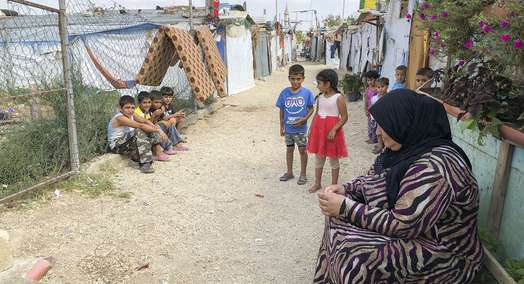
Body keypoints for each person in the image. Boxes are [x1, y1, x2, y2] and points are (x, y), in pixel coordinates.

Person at [313, 89, 482, 283]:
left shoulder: (436, 166)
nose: (377, 132)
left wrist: (345, 206)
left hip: (444, 253)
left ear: (403, 123)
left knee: (357, 255)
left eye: (383, 126)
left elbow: (403, 224)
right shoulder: (408, 148)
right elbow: (376, 178)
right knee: (337, 221)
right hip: (415, 232)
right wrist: (347, 189)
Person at [307, 69, 348, 193]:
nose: (318, 85)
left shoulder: (338, 98)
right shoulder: (319, 97)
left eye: (319, 83)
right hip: (319, 131)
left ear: (328, 84)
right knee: (319, 157)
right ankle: (317, 183)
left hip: (331, 132)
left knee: (333, 159)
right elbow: (317, 114)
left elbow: (345, 117)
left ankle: (334, 186)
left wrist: (334, 129)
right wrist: (311, 128)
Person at [107, 95, 170, 173]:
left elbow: (145, 121)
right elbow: (140, 125)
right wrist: (159, 131)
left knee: (151, 128)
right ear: (120, 108)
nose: (130, 110)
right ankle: (145, 163)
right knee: (140, 130)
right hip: (117, 146)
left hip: (126, 142)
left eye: (133, 108)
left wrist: (156, 128)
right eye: (127, 107)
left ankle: (159, 151)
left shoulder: (132, 115)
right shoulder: (120, 118)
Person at [276, 64, 315, 185]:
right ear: (289, 78)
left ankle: (303, 174)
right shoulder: (284, 93)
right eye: (293, 79)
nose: (295, 81)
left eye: (298, 79)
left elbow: (311, 109)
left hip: (301, 129)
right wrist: (281, 126)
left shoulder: (307, 93)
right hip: (288, 129)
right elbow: (281, 110)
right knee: (289, 150)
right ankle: (289, 172)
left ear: (303, 78)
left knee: (302, 150)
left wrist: (304, 119)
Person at [371, 77, 389, 154]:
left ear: (387, 86)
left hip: (387, 119)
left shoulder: (389, 97)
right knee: (378, 133)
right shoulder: (374, 98)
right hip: (378, 119)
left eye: (382, 86)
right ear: (376, 88)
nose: (381, 89)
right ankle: (380, 146)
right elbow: (373, 108)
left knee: (386, 133)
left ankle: (386, 146)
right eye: (378, 87)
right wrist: (372, 118)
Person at [364, 70, 380, 144]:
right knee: (370, 124)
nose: (370, 82)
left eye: (371, 80)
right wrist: (366, 109)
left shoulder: (378, 89)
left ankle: (374, 138)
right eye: (368, 80)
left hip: (376, 110)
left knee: (375, 125)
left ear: (376, 79)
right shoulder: (368, 89)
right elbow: (366, 100)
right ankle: (371, 137)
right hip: (370, 110)